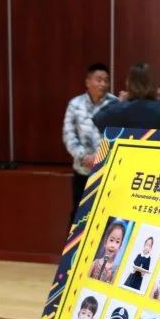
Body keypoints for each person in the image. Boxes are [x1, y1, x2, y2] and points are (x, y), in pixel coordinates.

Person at [63, 62, 117, 219]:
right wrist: (84, 157)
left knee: (105, 215)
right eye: (99, 79)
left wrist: (100, 158)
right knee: (79, 215)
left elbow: (119, 136)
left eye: (106, 80)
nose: (103, 84)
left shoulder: (115, 104)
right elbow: (68, 134)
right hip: (82, 170)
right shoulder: (75, 104)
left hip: (107, 170)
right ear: (88, 82)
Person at [93, 62, 160, 134]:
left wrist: (118, 100)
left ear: (129, 83)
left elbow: (98, 119)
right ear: (154, 84)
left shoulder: (119, 109)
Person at [89, 218, 126, 283]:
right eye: (111, 240)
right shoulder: (95, 263)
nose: (113, 245)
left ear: (120, 246)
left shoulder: (116, 270)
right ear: (105, 242)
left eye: (117, 242)